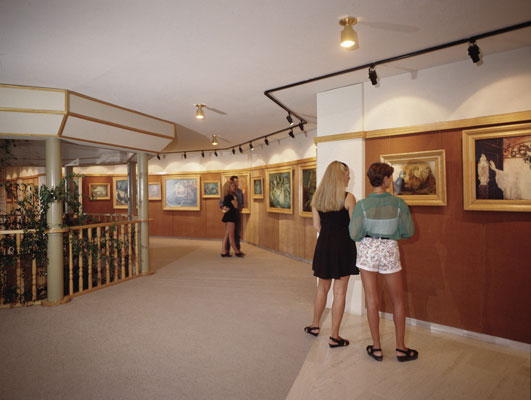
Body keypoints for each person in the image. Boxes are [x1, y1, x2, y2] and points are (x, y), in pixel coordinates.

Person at [349, 162, 417, 362]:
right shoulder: (398, 204)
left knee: (372, 300)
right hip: (389, 249)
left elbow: (354, 234)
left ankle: (377, 348)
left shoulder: (362, 205)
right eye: (390, 177)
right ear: (385, 179)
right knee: (398, 300)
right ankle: (400, 348)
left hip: (368, 249)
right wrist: (394, 233)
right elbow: (408, 231)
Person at [304, 161, 358, 348]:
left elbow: (317, 226)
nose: (349, 177)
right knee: (339, 292)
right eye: (347, 173)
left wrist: (329, 234)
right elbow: (354, 227)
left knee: (322, 288)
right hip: (344, 247)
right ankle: (334, 336)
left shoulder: (318, 198)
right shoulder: (349, 198)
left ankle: (315, 325)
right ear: (340, 176)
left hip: (324, 246)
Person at [219, 176, 244, 255]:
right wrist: (234, 198)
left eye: (237, 182)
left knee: (227, 234)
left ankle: (223, 251)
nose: (236, 184)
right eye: (234, 183)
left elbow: (241, 204)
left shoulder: (238, 192)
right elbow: (235, 205)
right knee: (231, 236)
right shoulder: (230, 196)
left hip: (233, 215)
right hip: (231, 216)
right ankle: (236, 251)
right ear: (229, 187)